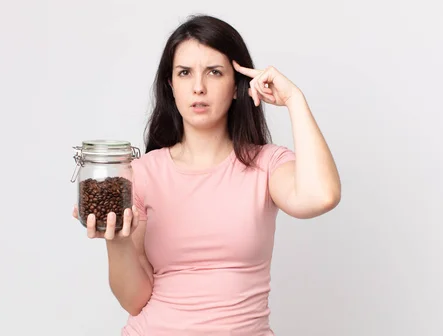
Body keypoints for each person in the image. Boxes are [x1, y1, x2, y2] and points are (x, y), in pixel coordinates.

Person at [72, 14, 341, 335]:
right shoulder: (140, 173)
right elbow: (135, 300)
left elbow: (321, 196)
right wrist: (115, 240)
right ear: (171, 85)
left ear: (237, 86)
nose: (198, 87)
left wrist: (294, 100)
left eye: (214, 72)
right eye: (185, 73)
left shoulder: (267, 165)